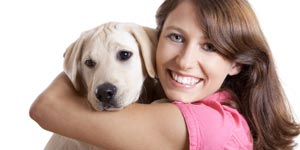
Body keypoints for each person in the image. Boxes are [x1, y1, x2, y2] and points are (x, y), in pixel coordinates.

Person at [30, 0, 300, 149]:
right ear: (156, 42)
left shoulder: (212, 126)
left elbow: (46, 107)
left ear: (236, 64)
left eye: (209, 46)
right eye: (175, 37)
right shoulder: (221, 108)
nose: (184, 61)